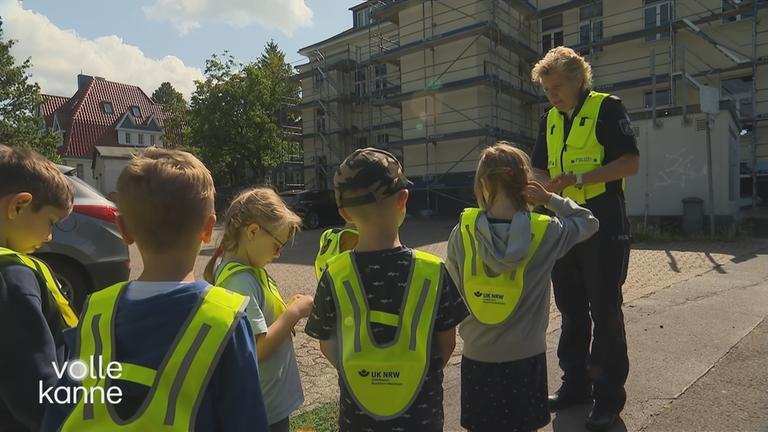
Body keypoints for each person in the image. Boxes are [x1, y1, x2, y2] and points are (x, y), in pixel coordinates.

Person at [42, 148, 268, 431]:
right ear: (209, 229)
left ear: (124, 230)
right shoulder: (226, 319)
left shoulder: (94, 315)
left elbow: (58, 410)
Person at [305, 148, 468, 432]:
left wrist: (365, 373)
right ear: (403, 199)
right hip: (421, 417)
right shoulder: (433, 271)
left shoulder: (334, 272)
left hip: (357, 416)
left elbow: (327, 345)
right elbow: (446, 346)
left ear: (344, 213)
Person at [446, 142, 599, 432]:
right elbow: (588, 223)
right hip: (526, 357)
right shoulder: (545, 231)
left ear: (482, 185)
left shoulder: (462, 232)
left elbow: (452, 289)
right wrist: (551, 199)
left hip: (478, 356)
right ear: (525, 184)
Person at [530, 46, 640, 431]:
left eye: (557, 86)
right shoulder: (548, 119)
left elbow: (630, 162)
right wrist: (541, 193)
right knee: (571, 307)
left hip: (603, 218)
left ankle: (608, 396)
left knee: (605, 308)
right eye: (546, 89)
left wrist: (577, 180)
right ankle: (575, 385)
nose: (552, 95)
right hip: (564, 222)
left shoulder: (607, 108)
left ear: (579, 78)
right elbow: (540, 168)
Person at [204, 186, 313, 432]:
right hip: (265, 410)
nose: (279, 253)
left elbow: (261, 319)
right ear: (252, 231)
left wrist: (286, 307)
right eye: (277, 245)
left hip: (268, 404)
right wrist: (293, 313)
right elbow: (258, 348)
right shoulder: (240, 281)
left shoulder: (249, 273)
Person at [0, 145, 78, 432]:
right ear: (18, 205)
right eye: (51, 222)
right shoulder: (13, 278)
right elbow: (36, 391)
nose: (48, 236)